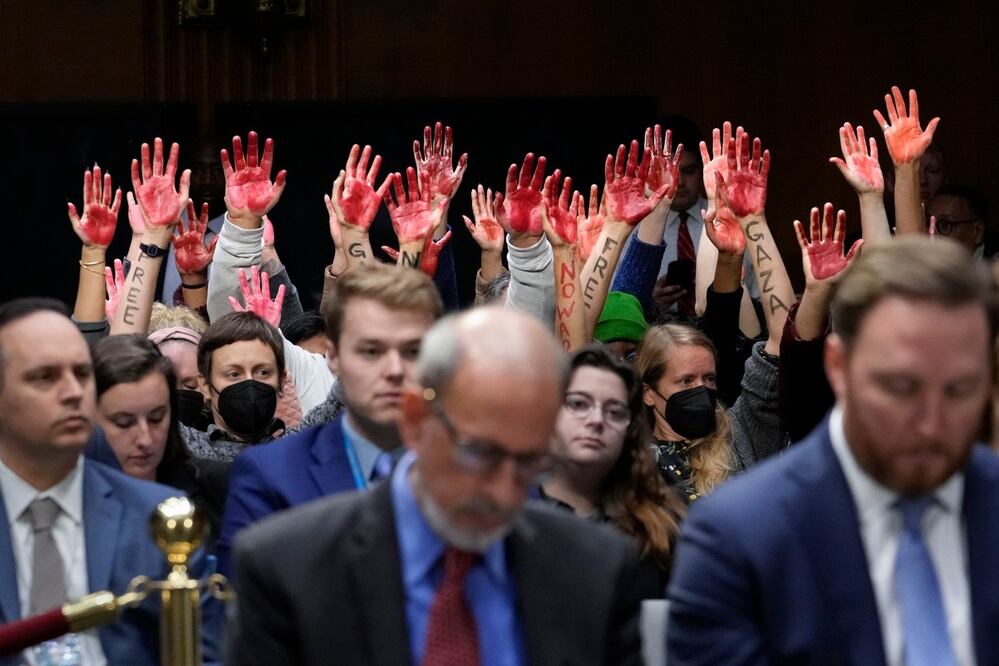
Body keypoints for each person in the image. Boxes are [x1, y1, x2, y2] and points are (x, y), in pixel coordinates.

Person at [226, 307, 657, 665]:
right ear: (415, 420)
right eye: (480, 453)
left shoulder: (595, 569)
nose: (506, 492)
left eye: (530, 462)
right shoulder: (289, 569)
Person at [667, 236, 999, 665]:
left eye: (959, 390)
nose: (930, 422)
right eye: (900, 387)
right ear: (838, 367)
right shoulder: (741, 538)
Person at [0, 298, 218, 665]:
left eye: (82, 374)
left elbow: (210, 654)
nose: (72, 392)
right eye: (44, 377)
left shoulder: (162, 520)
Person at [217, 263, 443, 574]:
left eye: (413, 351)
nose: (394, 370)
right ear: (332, 359)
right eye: (371, 351)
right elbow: (243, 609)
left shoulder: (481, 467)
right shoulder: (269, 476)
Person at [540, 345, 683, 582]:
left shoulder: (660, 524)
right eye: (578, 404)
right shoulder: (512, 513)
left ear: (630, 431)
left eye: (615, 412)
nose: (596, 420)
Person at [92, 334, 228, 552]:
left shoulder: (216, 484)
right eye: (124, 423)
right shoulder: (74, 503)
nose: (145, 439)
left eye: (156, 418)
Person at [183, 311, 288, 461]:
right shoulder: (188, 450)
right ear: (205, 385)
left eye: (263, 372)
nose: (249, 383)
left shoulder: (302, 449)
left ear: (281, 380)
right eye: (234, 374)